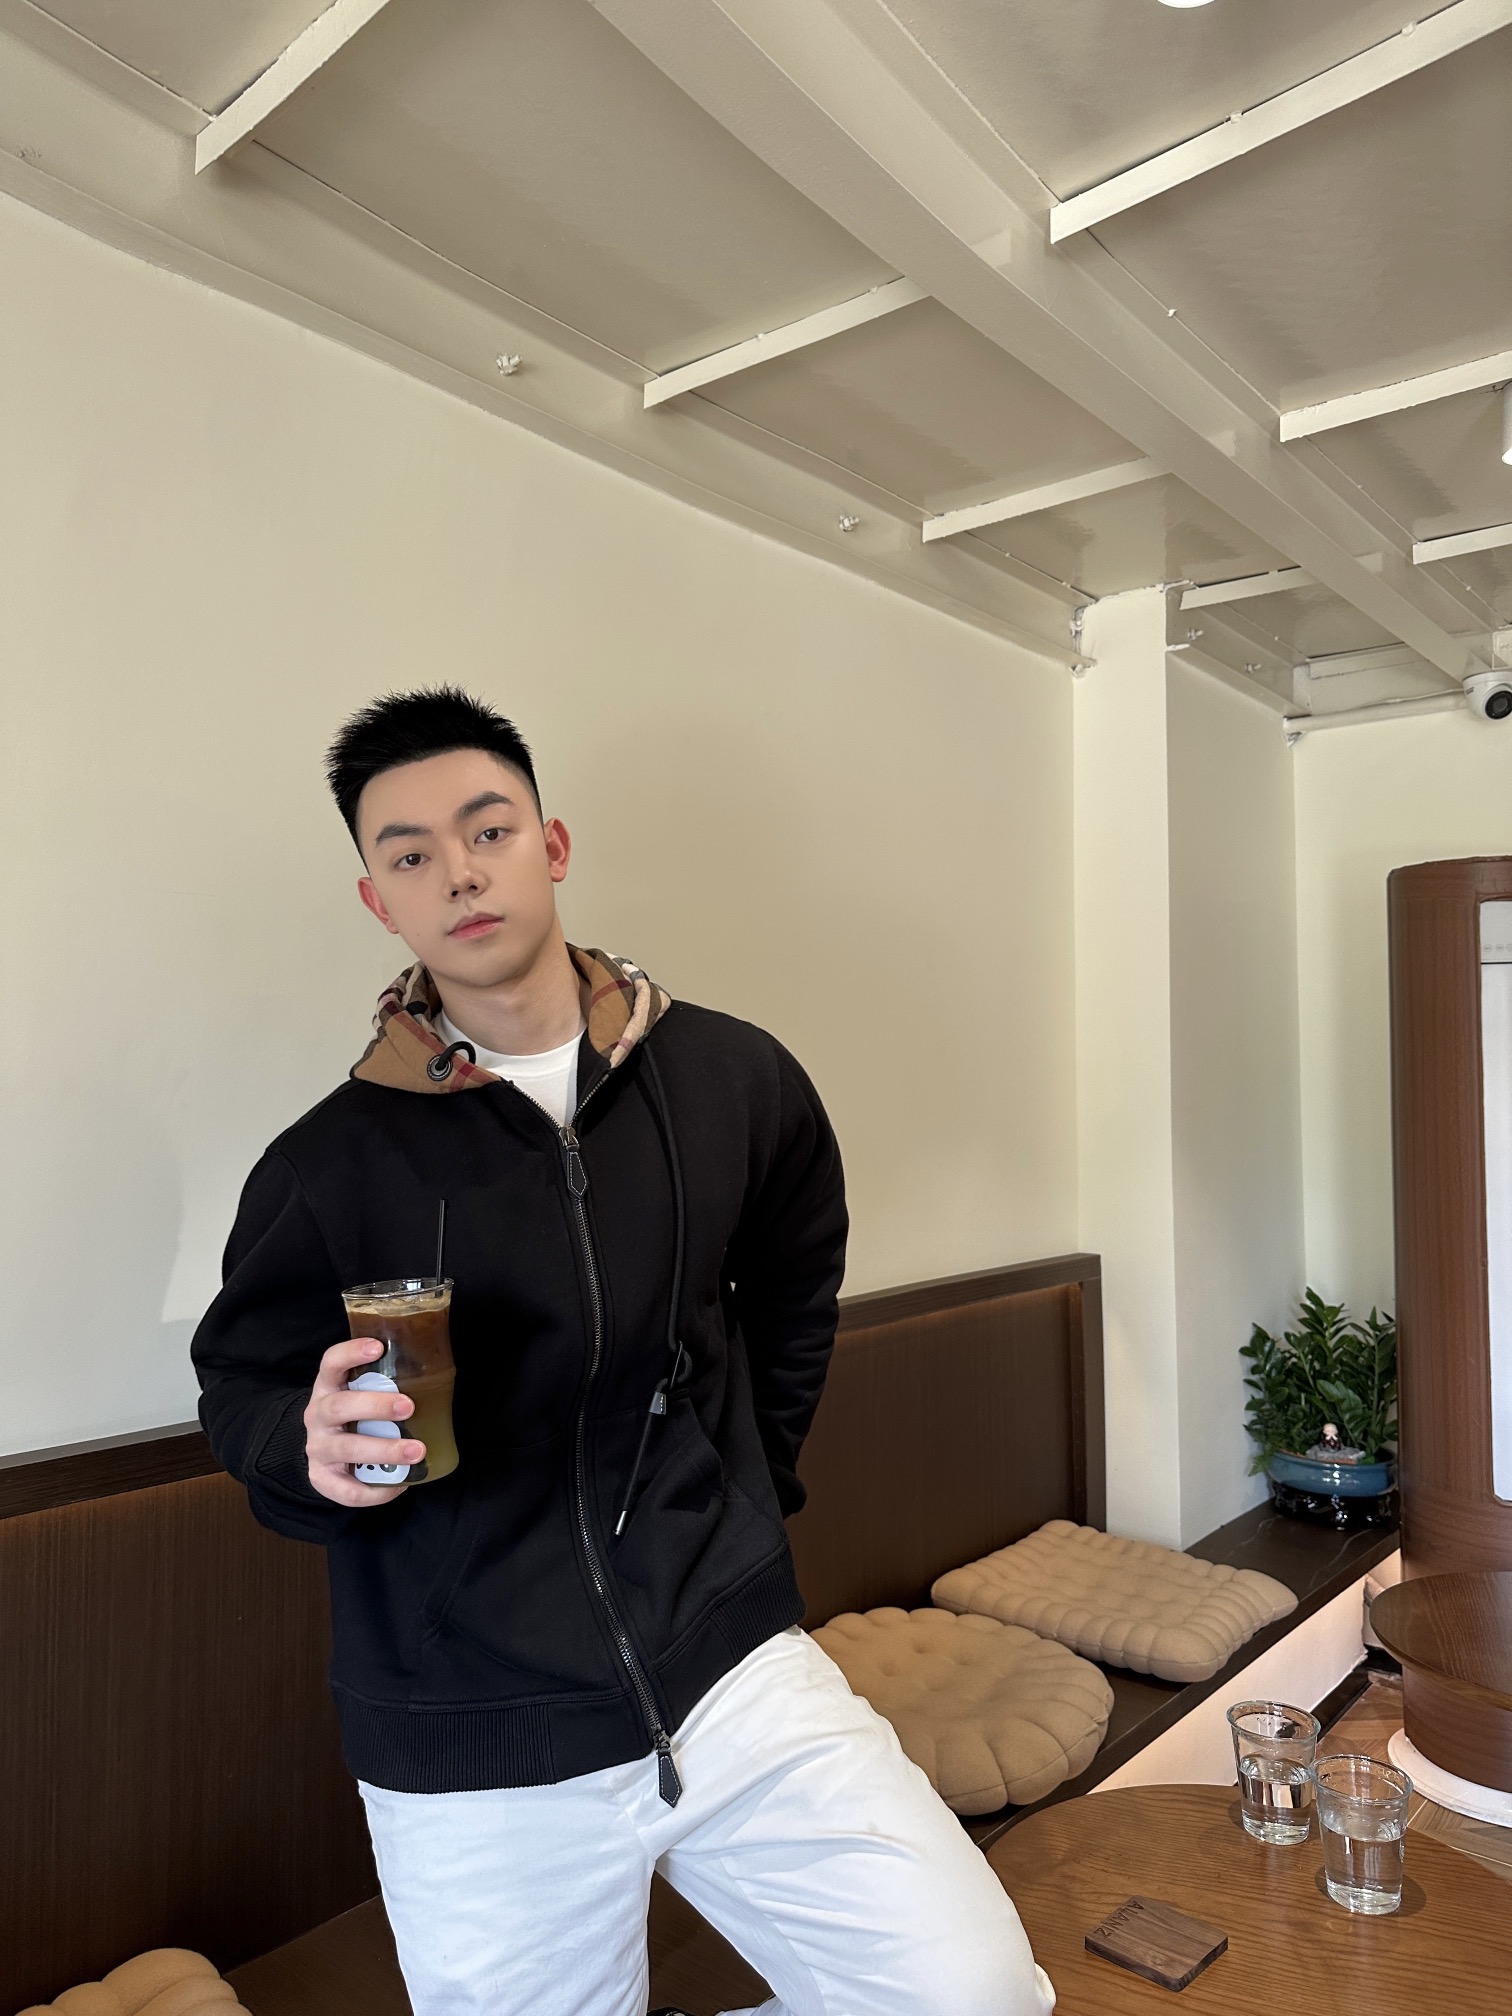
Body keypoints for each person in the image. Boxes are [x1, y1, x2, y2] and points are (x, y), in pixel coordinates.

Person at [192, 688, 1055, 2016]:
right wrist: (299, 1450)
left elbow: (794, 1282)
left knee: (977, 1995)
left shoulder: (730, 1077)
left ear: (552, 845)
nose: (458, 872)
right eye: (410, 854)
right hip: (471, 1728)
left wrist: (748, 1485)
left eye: (488, 830)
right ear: (378, 900)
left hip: (729, 1665)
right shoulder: (329, 1162)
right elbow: (241, 1381)